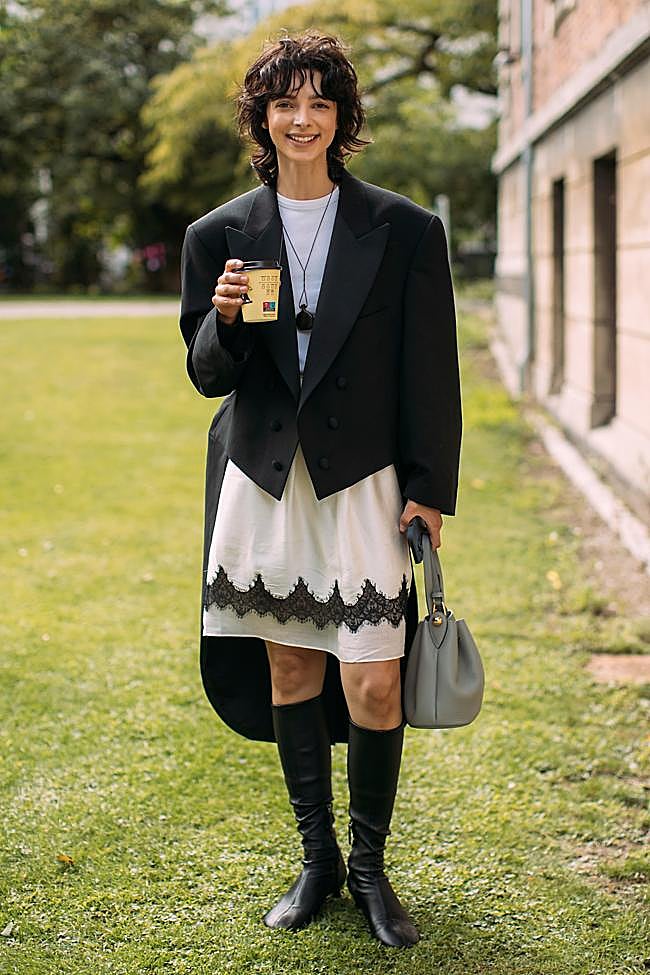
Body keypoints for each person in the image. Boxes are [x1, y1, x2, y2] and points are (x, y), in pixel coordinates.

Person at [179, 30, 462, 949]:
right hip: (264, 483)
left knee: (376, 680)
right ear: (262, 118)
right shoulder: (217, 235)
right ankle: (317, 862)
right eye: (284, 104)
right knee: (291, 668)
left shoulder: (406, 229)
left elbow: (433, 372)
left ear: (341, 120)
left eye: (319, 103)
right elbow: (207, 377)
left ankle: (373, 871)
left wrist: (431, 490)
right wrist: (222, 320)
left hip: (367, 482)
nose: (302, 119)